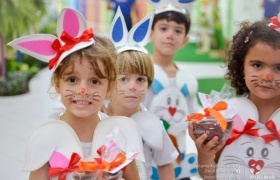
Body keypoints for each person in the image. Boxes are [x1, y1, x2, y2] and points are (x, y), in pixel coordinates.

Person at [8, 8, 143, 180]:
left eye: (94, 81)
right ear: (57, 83)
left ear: (109, 87)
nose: (82, 90)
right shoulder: (47, 138)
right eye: (72, 79)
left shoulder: (118, 134)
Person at [189, 17, 280, 179]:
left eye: (278, 68)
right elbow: (210, 175)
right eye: (257, 65)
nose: (267, 76)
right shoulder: (226, 115)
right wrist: (205, 155)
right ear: (241, 66)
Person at [105, 7, 179, 180]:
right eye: (123, 79)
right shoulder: (99, 117)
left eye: (140, 80)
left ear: (149, 83)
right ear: (110, 81)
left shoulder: (152, 124)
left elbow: (165, 163)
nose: (132, 87)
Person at [143, 1, 200, 179]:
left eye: (177, 30)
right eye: (163, 28)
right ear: (151, 34)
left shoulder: (188, 80)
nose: (170, 35)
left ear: (185, 40)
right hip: (144, 158)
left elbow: (194, 116)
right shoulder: (140, 74)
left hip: (179, 158)